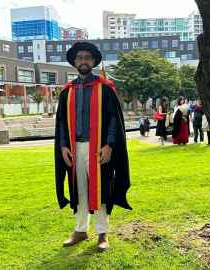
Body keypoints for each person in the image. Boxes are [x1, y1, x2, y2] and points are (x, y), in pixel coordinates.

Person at [54, 42, 132, 252]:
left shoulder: (105, 88)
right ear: (74, 62)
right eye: (79, 57)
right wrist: (62, 146)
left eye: (87, 57)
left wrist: (109, 145)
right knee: (78, 190)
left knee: (101, 189)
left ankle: (102, 233)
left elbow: (114, 119)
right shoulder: (67, 91)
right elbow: (61, 121)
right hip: (75, 148)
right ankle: (80, 230)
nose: (83, 60)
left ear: (94, 61)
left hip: (98, 148)